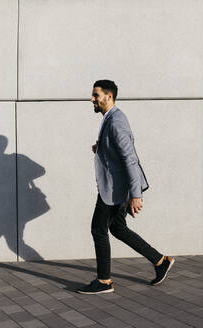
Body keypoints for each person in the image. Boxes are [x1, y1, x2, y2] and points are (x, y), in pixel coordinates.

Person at [77, 80, 174, 294]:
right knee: (118, 228)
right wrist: (101, 148)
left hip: (115, 189)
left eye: (96, 95)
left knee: (98, 229)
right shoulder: (110, 119)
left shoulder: (115, 121)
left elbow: (130, 158)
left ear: (108, 96)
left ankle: (104, 281)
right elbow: (118, 153)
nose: (92, 99)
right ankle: (160, 261)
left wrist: (136, 194)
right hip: (116, 186)